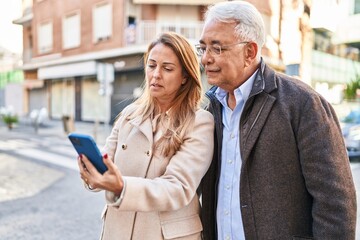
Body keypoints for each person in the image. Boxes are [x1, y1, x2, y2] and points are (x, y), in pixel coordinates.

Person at [197, 1, 357, 239]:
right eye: (203, 48)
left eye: (217, 48)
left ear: (249, 52)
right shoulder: (208, 110)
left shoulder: (302, 103)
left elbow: (335, 204)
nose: (205, 59)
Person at [78, 32, 214, 239]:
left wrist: (121, 187)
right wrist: (93, 175)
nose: (156, 74)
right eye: (151, 66)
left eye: (167, 68)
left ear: (185, 77)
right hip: (118, 231)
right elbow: (108, 162)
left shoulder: (200, 122)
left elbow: (178, 188)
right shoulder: (129, 114)